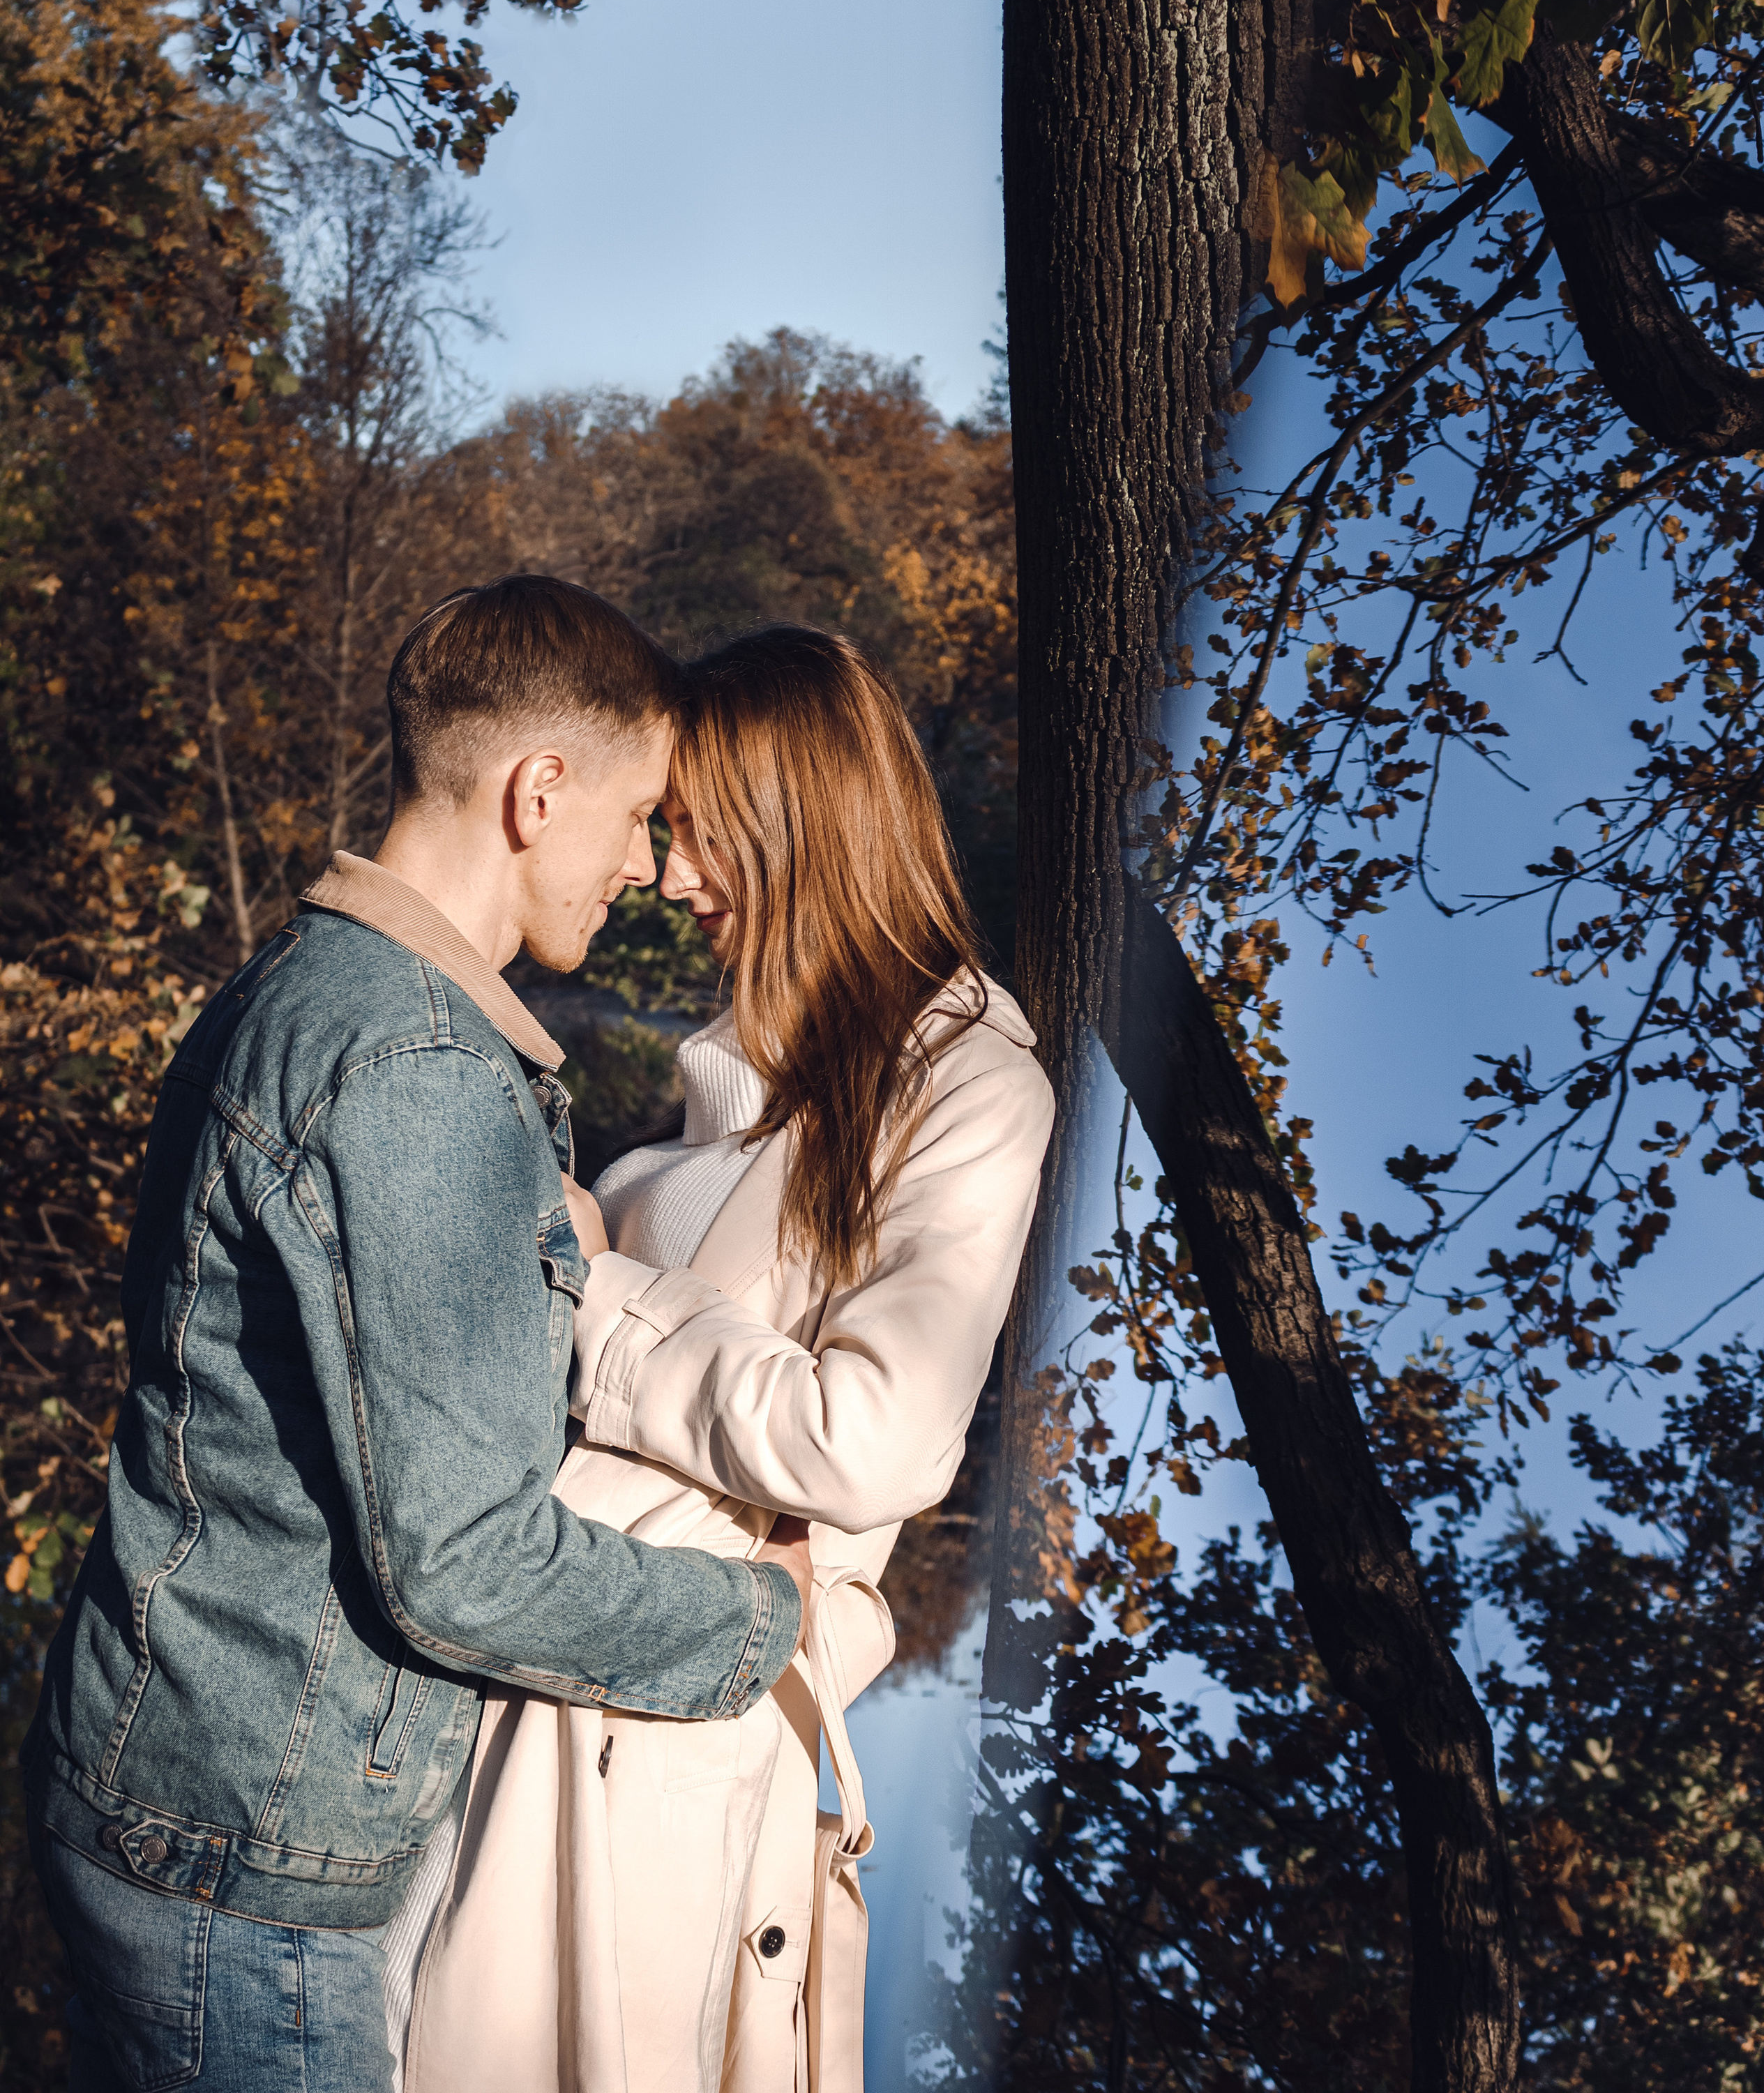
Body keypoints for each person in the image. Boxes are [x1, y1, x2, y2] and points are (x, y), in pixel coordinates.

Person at [22, 576, 813, 2093]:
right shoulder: (420, 1066)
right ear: (539, 791)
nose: (649, 869)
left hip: (161, 1784)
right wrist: (760, 1621)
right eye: (643, 816)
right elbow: (466, 1566)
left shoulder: (300, 984)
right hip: (243, 1870)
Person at [403, 625, 1055, 2093]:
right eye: (661, 833)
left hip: (662, 1744)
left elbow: (872, 1444)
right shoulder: (713, 1111)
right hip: (537, 1675)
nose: (670, 879)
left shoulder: (966, 1086)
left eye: (696, 837)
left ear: (799, 822)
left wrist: (593, 1283)